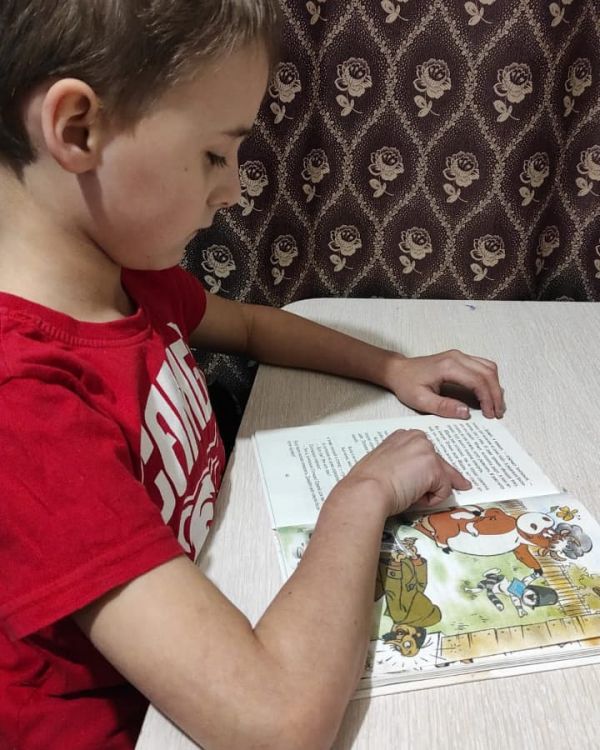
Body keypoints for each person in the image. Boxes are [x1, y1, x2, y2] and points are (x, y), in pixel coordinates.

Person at [0, 2, 505, 748]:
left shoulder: (125, 279)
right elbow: (277, 726)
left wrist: (393, 366)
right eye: (214, 154)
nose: (232, 191)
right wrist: (363, 493)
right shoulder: (25, 406)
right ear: (77, 130)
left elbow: (249, 325)